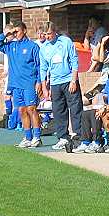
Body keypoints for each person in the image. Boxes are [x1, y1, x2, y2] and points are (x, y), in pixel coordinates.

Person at [0, 20, 42, 148]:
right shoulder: (11, 46)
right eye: (13, 32)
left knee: (31, 109)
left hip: (29, 84)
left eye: (17, 31)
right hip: (16, 85)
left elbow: (39, 66)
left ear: (24, 31)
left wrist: (39, 82)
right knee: (21, 111)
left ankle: (37, 136)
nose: (15, 34)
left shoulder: (32, 46)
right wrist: (5, 34)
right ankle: (27, 137)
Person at [39, 21, 81, 151]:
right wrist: (45, 87)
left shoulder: (65, 41)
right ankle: (63, 137)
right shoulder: (44, 48)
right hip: (55, 83)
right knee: (58, 111)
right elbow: (43, 69)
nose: (47, 37)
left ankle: (78, 137)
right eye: (45, 34)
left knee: (75, 109)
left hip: (69, 80)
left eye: (50, 34)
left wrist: (73, 81)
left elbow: (74, 60)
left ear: (55, 32)